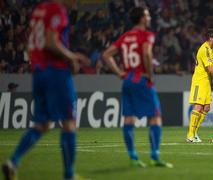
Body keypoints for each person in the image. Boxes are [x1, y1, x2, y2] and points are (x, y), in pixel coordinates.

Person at [2, 0, 89, 179]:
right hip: (56, 73)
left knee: (42, 124)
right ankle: (69, 175)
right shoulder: (57, 10)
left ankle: (13, 161)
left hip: (39, 72)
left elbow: (33, 42)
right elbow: (51, 41)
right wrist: (72, 57)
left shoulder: (38, 10)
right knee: (69, 123)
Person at [102, 7, 173, 168]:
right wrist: (150, 74)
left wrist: (120, 73)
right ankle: (154, 156)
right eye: (147, 15)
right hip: (141, 79)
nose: (149, 18)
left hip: (127, 80)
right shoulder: (147, 35)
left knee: (128, 118)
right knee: (155, 117)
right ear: (141, 18)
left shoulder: (125, 36)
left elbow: (106, 55)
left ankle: (133, 157)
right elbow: (147, 53)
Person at [186, 29, 213, 143]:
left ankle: (194, 133)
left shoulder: (210, 49)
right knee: (198, 106)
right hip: (199, 81)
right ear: (211, 38)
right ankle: (190, 135)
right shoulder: (205, 49)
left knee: (206, 108)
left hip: (206, 82)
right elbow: (210, 69)